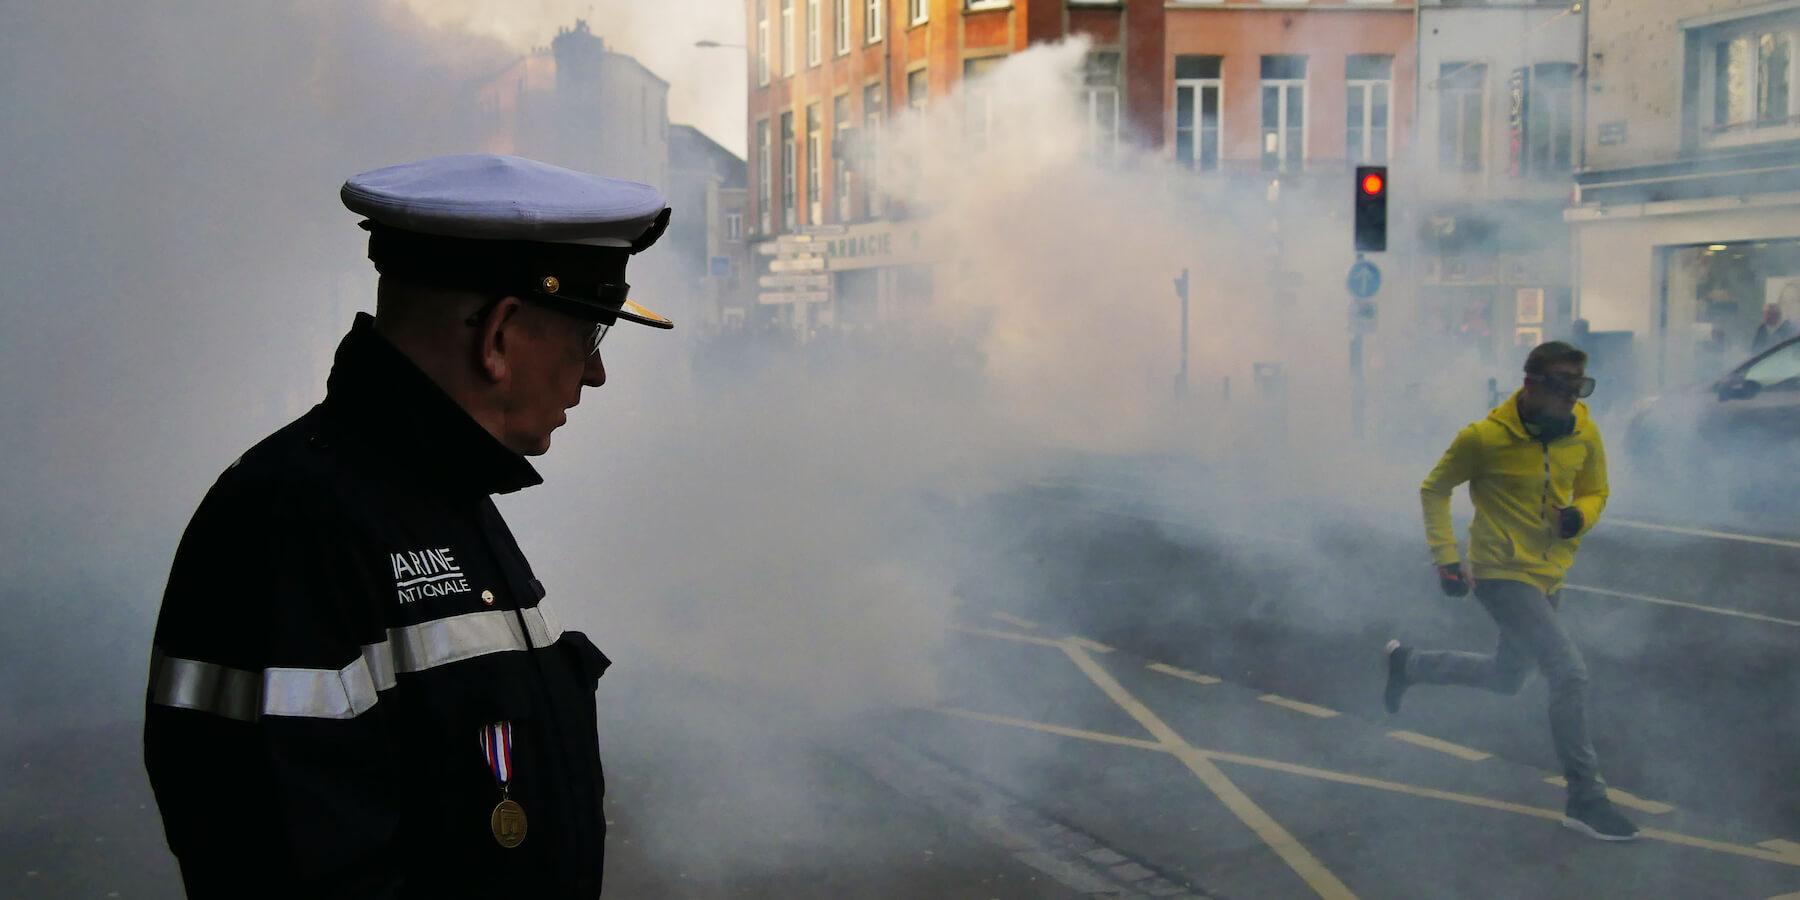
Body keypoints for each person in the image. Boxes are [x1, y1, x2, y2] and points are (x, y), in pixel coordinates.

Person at [143, 154, 675, 897]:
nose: (594, 375)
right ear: (500, 333)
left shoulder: (435, 495)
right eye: (589, 337)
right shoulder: (295, 522)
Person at [1383, 341, 1640, 842]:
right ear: (1531, 385)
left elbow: (1596, 490)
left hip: (1548, 573)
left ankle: (1408, 665)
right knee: (1569, 673)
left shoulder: (1584, 431)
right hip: (1500, 573)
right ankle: (1585, 800)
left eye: (1580, 386)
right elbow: (1434, 489)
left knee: (1506, 678)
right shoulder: (1484, 438)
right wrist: (1446, 559)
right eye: (1563, 385)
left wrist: (1579, 516)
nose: (1573, 397)